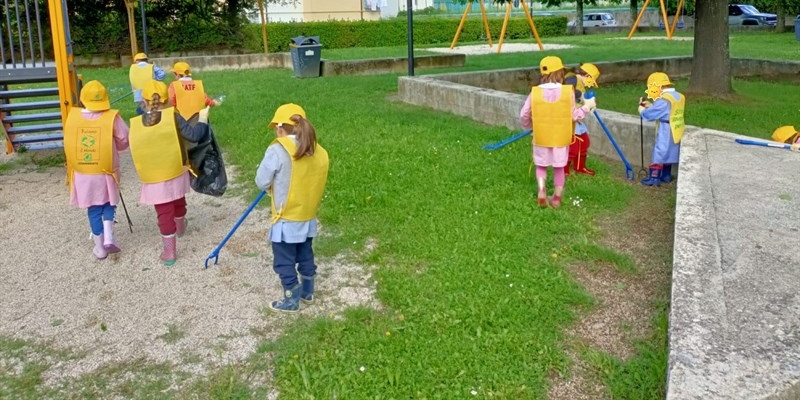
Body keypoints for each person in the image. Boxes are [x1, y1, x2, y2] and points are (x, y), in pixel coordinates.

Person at [256, 103, 329, 313]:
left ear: (280, 127)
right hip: (307, 216)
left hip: (286, 219)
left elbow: (262, 181)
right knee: (305, 253)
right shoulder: (316, 149)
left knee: (283, 261)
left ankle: (291, 298)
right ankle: (308, 292)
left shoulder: (278, 149)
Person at [128, 80, 211, 265]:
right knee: (178, 198)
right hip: (175, 168)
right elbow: (194, 136)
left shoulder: (136, 122)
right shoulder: (173, 116)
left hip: (153, 176)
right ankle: (181, 228)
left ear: (144, 100)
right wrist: (203, 119)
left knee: (163, 211)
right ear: (168, 98)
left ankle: (169, 252)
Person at [63, 80, 130, 260]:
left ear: (83, 99)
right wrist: (116, 147)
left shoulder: (72, 116)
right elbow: (124, 138)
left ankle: (99, 248)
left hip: (83, 173)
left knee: (93, 208)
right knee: (108, 202)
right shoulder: (112, 117)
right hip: (106, 170)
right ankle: (109, 235)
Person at [519, 56, 592, 208]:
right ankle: (557, 198)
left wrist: (531, 126)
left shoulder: (535, 92)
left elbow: (524, 114)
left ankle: (541, 191)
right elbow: (574, 115)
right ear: (560, 72)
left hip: (541, 137)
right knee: (559, 168)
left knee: (541, 166)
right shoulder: (568, 92)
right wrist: (587, 107)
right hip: (560, 138)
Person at [638, 71, 685, 186]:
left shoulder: (664, 100)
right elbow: (667, 110)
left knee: (660, 151)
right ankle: (666, 175)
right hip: (676, 127)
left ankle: (654, 178)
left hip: (666, 129)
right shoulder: (678, 96)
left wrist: (643, 111)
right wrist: (652, 106)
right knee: (670, 151)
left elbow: (651, 115)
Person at [563, 62, 601, 176]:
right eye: (590, 81)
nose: (589, 85)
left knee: (584, 142)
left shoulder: (579, 82)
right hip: (569, 119)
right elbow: (567, 91)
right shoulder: (572, 79)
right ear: (586, 76)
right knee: (573, 146)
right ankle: (564, 171)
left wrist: (589, 104)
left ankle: (580, 167)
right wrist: (581, 96)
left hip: (577, 118)